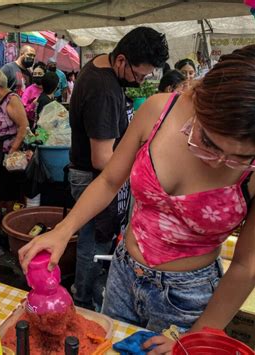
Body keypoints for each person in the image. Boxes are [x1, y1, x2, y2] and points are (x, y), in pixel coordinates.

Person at [19, 44, 255, 354]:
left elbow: (247, 264)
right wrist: (64, 230)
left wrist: (193, 338)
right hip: (123, 275)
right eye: (208, 141)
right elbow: (109, 179)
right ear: (200, 97)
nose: (217, 161)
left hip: (190, 301)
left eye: (240, 158)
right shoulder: (159, 110)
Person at [65, 27, 169, 311]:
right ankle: (84, 301)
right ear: (121, 60)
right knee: (93, 245)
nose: (140, 81)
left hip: (91, 174)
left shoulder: (102, 64)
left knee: (95, 240)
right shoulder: (104, 91)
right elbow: (102, 158)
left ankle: (86, 293)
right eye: (139, 75)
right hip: (93, 177)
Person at [0, 68, 28, 221]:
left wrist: (12, 151)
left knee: (8, 192)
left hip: (6, 156)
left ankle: (9, 222)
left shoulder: (11, 99)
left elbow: (23, 126)